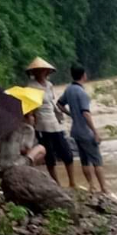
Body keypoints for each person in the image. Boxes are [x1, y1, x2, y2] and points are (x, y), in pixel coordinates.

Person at [57, 64, 109, 194]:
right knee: (97, 161)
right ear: (83, 75)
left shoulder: (68, 89)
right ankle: (104, 188)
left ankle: (91, 186)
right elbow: (86, 113)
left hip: (75, 131)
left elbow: (59, 104)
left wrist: (71, 114)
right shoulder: (82, 93)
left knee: (84, 160)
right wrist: (95, 132)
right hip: (86, 132)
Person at [26, 57, 76, 188]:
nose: (41, 72)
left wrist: (62, 115)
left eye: (43, 70)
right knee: (49, 157)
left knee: (67, 153)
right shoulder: (31, 87)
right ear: (34, 72)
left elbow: (52, 103)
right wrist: (31, 123)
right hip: (42, 126)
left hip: (54, 123)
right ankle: (56, 183)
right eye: (38, 70)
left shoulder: (49, 85)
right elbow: (30, 110)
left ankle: (72, 182)